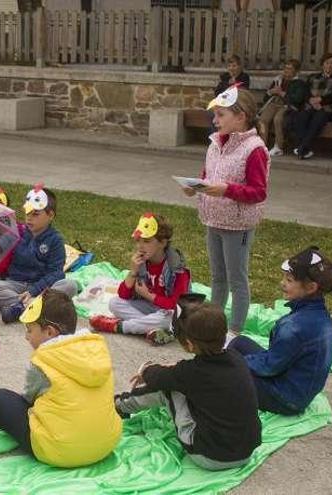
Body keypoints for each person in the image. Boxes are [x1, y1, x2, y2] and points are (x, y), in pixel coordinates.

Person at [114, 297, 262, 471]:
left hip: (209, 457)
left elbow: (158, 377)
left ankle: (120, 405)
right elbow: (187, 374)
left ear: (190, 345)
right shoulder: (236, 359)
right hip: (246, 453)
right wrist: (174, 369)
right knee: (179, 383)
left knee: (168, 389)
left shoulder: (190, 373)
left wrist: (145, 371)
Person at [0, 290, 121, 467]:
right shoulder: (96, 349)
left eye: (30, 330)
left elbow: (28, 400)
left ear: (49, 332)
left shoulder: (42, 361)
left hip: (60, 451)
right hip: (106, 443)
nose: (26, 336)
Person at [184, 87, 269, 335]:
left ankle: (234, 331)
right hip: (213, 220)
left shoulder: (254, 149)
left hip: (238, 226)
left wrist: (226, 190)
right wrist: (195, 188)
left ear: (240, 116)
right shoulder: (214, 143)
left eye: (221, 115)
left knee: (237, 280)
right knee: (217, 277)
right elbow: (207, 175)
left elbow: (258, 192)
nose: (215, 120)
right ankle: (213, 325)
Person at [228, 247, 332, 415]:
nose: (282, 283)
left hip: (287, 399)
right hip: (295, 385)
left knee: (226, 373)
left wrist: (235, 363)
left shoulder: (294, 327)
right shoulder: (319, 315)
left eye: (289, 280)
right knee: (239, 343)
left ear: (311, 287)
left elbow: (269, 367)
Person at [0, 185, 78, 324]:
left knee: (70, 285)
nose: (29, 218)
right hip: (16, 283)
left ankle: (20, 306)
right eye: (27, 213)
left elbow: (56, 273)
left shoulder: (55, 240)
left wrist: (34, 291)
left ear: (50, 215)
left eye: (35, 214)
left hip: (42, 288)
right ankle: (32, 307)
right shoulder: (19, 231)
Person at [90, 213, 191, 345]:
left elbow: (177, 305)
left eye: (147, 241)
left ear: (162, 242)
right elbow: (123, 295)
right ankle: (155, 330)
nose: (140, 246)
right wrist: (133, 271)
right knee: (114, 303)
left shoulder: (176, 268)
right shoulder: (143, 261)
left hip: (171, 312)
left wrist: (149, 295)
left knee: (167, 319)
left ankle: (119, 327)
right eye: (138, 240)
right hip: (151, 309)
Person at [292, 53, 332, 160]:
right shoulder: (313, 77)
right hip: (311, 105)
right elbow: (306, 92)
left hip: (327, 107)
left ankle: (302, 147)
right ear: (322, 64)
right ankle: (305, 149)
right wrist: (311, 100)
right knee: (301, 117)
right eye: (327, 63)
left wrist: (321, 100)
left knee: (317, 119)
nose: (329, 66)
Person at [258, 59, 308, 156]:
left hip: (287, 105)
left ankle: (278, 146)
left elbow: (297, 99)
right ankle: (262, 145)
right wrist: (271, 92)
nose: (286, 71)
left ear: (296, 71)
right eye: (285, 68)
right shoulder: (278, 80)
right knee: (263, 119)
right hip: (274, 103)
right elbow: (265, 97)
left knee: (278, 119)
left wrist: (282, 93)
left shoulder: (299, 83)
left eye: (290, 69)